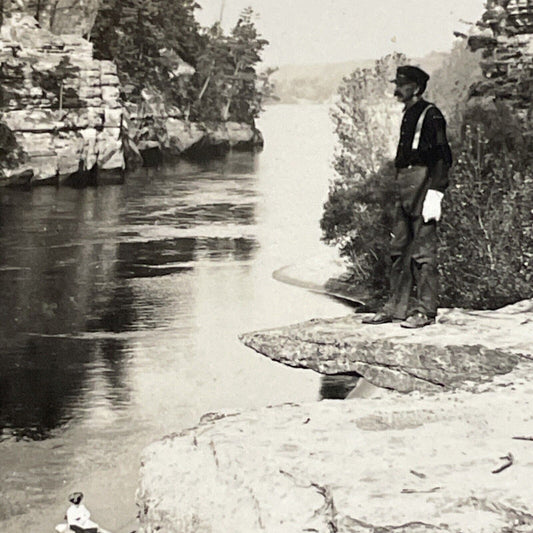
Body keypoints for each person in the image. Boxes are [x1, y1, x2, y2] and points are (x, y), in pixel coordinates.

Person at [363, 65, 452, 328]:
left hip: (423, 183)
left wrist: (435, 193)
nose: (396, 90)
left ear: (416, 87)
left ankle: (425, 311)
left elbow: (443, 158)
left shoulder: (431, 115)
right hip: (405, 182)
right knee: (398, 248)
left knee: (423, 251)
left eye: (401, 84)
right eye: (397, 84)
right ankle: (396, 307)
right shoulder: (408, 114)